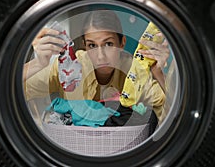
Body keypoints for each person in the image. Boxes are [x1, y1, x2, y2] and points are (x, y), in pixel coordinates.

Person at [23, 10, 170, 125]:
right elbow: (10, 90)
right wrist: (37, 64)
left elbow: (171, 116)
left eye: (108, 44)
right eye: (92, 45)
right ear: (84, 46)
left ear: (122, 43)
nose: (100, 56)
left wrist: (158, 73)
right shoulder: (70, 67)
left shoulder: (136, 72)